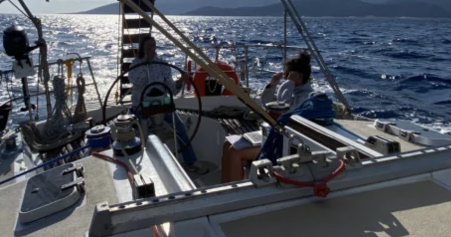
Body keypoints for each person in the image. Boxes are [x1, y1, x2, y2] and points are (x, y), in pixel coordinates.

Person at [221, 52, 314, 183]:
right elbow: (267, 102)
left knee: (235, 152)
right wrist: (273, 85)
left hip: (284, 143)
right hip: (274, 135)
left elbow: (284, 106)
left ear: (298, 75)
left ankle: (236, 197)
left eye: (288, 74)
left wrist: (289, 83)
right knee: (227, 144)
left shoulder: (305, 96)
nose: (286, 77)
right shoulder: (293, 90)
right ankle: (225, 187)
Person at [129, 36, 209, 173]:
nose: (152, 49)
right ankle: (144, 168)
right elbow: (135, 80)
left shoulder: (162, 64)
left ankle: (191, 162)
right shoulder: (135, 64)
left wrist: (180, 81)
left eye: (153, 46)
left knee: (180, 127)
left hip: (162, 105)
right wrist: (146, 62)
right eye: (148, 46)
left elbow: (171, 88)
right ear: (142, 48)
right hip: (140, 106)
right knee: (137, 134)